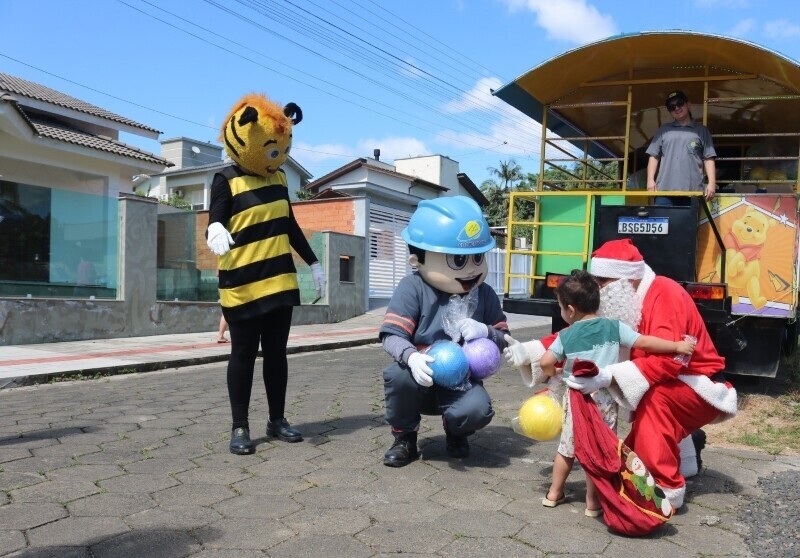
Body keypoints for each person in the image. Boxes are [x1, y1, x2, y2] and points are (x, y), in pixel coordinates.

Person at [505, 239, 737, 509]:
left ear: (624, 280)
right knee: (632, 444)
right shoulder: (618, 299)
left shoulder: (666, 293)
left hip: (698, 385)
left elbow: (669, 362)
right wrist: (529, 350)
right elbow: (580, 334)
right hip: (671, 382)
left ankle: (664, 492)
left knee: (655, 401)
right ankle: (683, 455)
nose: (598, 290)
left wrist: (607, 376)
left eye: (601, 282)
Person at [207, 93, 326, 455]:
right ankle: (239, 426)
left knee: (277, 353)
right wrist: (213, 228)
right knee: (242, 354)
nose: (278, 158)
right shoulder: (225, 179)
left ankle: (277, 420)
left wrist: (314, 262)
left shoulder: (278, 182)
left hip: (279, 281)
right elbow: (216, 217)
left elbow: (290, 224)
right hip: (241, 285)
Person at [537, 270, 695, 517]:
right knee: (599, 449)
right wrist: (676, 346)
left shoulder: (566, 335)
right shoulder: (613, 328)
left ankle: (554, 493)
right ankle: (592, 502)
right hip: (605, 399)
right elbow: (645, 342)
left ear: (569, 309)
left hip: (576, 400)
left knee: (567, 448)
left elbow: (546, 361)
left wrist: (556, 371)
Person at [379, 196, 509, 467]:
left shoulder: (484, 294)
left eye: (477, 257)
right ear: (417, 260)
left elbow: (503, 337)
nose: (472, 269)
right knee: (398, 375)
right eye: (459, 260)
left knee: (479, 410)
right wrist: (412, 358)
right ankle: (404, 437)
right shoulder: (412, 288)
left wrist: (485, 331)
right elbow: (391, 334)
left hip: (463, 379)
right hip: (421, 378)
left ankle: (456, 430)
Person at [646, 91, 716, 206]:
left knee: (688, 225)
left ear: (688, 104)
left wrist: (712, 183)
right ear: (669, 111)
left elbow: (709, 158)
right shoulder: (664, 130)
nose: (677, 108)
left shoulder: (702, 131)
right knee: (664, 224)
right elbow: (653, 155)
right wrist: (650, 180)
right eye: (672, 107)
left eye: (680, 103)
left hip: (693, 193)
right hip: (664, 192)